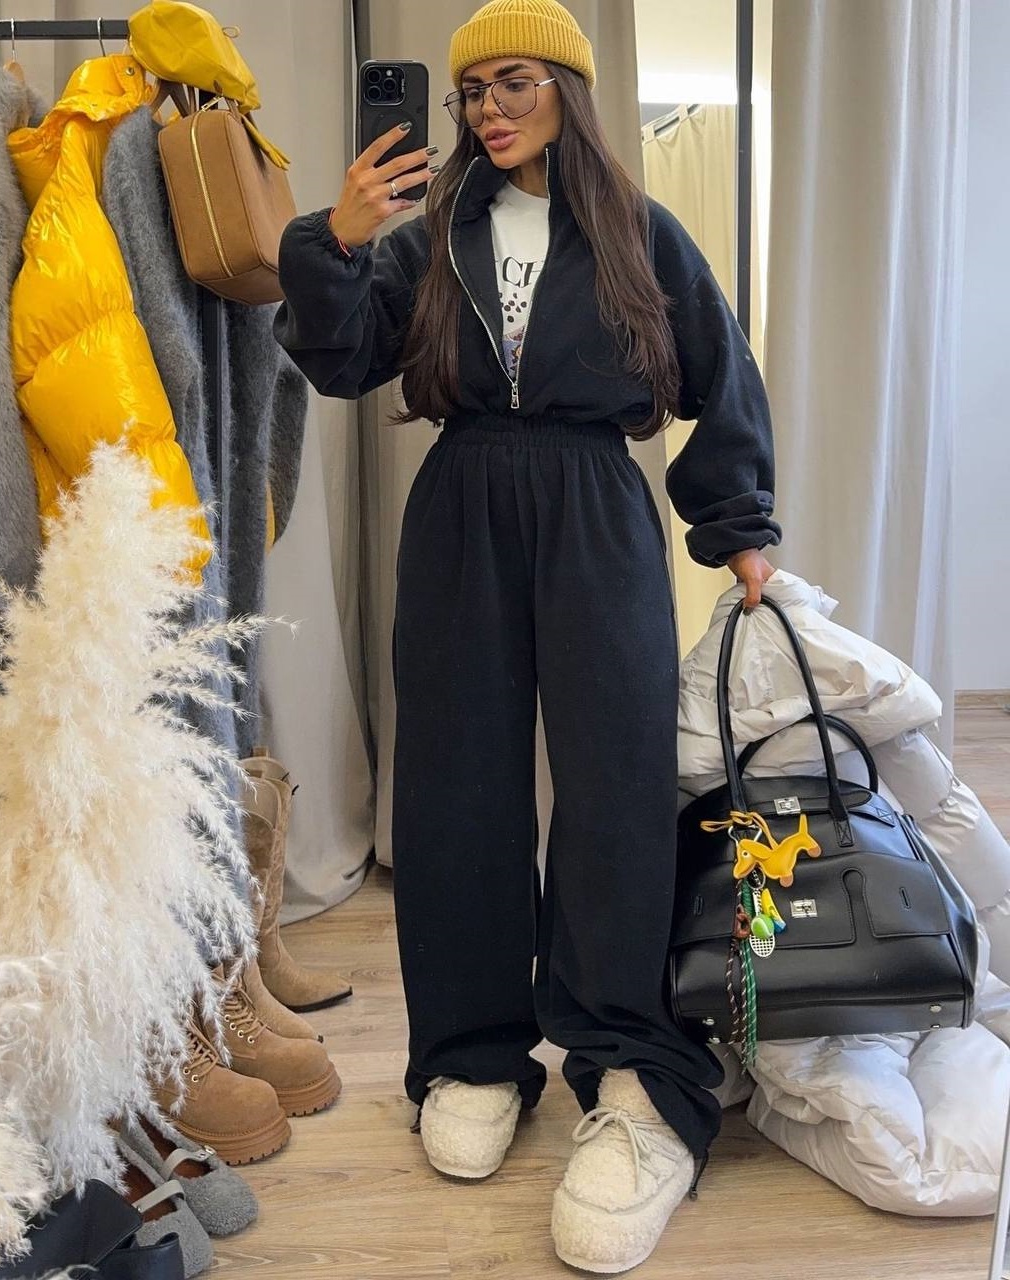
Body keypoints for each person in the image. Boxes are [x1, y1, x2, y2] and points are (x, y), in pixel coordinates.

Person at [274, 0, 780, 1271]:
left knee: (616, 785)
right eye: (470, 92)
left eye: (514, 83)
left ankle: (629, 1062)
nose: (487, 109)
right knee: (456, 787)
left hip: (597, 502)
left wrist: (737, 526)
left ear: (568, 90)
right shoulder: (426, 235)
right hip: (460, 502)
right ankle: (473, 1052)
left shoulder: (637, 233)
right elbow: (340, 362)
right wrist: (335, 240)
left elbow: (719, 369)